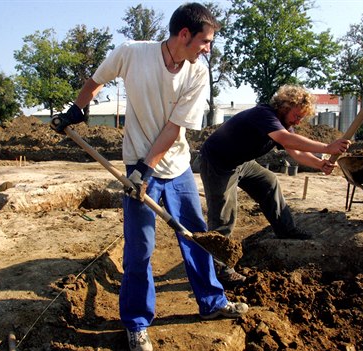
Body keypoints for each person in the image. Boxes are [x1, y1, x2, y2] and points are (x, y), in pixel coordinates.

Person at [51, 3, 248, 351]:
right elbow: (96, 81)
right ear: (184, 34)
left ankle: (212, 303)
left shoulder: (197, 72)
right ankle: (137, 323)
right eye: (205, 41)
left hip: (176, 167)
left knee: (197, 237)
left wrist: (147, 167)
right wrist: (77, 109)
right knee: (140, 247)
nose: (207, 49)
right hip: (136, 167)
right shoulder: (131, 53)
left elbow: (174, 128)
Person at [199, 85, 351, 287]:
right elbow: (286, 139)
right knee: (224, 215)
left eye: (302, 118)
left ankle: (286, 229)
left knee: (268, 181)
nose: (298, 121)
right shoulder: (264, 114)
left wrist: (319, 163)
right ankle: (221, 269)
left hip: (241, 161)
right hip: (218, 162)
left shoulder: (284, 124)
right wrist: (326, 147)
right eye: (297, 115)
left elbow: (295, 152)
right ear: (285, 106)